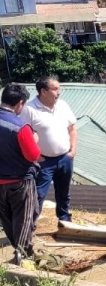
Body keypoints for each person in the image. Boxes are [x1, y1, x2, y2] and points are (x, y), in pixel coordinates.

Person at [24, 76, 77, 224]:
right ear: (43, 91)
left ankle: (64, 218)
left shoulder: (63, 105)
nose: (59, 92)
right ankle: (31, 224)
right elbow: (22, 134)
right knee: (39, 194)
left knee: (64, 192)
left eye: (59, 88)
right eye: (55, 89)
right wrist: (34, 156)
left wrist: (72, 151)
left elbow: (72, 128)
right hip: (44, 161)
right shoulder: (29, 109)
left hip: (65, 158)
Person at [0, 83, 41, 265]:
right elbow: (33, 155)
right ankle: (22, 255)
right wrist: (35, 139)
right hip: (20, 180)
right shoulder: (20, 127)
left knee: (7, 218)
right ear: (20, 103)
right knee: (25, 218)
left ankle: (20, 249)